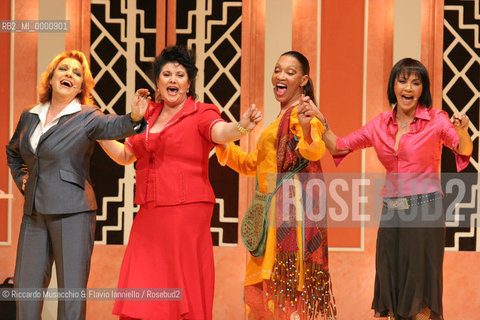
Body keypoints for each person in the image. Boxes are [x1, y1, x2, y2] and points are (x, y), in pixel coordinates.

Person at [97, 45, 262, 320]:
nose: (173, 79)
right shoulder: (147, 115)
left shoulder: (201, 112)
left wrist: (241, 126)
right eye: (167, 74)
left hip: (187, 210)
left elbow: (220, 132)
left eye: (180, 74)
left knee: (180, 284)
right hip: (150, 210)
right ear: (158, 83)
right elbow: (126, 155)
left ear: (188, 84)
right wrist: (99, 131)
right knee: (143, 279)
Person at [314, 58, 473, 320]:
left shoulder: (436, 120)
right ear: (393, 86)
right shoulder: (379, 124)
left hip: (425, 212)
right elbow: (339, 146)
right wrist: (321, 122)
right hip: (392, 212)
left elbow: (463, 149)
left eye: (416, 82)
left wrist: (463, 130)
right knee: (391, 286)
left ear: (423, 89)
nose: (408, 88)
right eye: (402, 81)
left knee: (420, 293)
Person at [6, 50, 148, 320]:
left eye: (76, 73)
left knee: (71, 293)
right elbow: (13, 151)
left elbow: (114, 126)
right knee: (26, 290)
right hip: (34, 213)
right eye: (63, 69)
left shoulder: (87, 116)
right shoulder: (29, 115)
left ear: (82, 87)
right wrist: (22, 179)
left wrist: (134, 118)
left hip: (74, 212)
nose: (69, 74)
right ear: (51, 78)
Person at [215, 51, 336, 319]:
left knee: (283, 297)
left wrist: (305, 129)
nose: (280, 76)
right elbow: (251, 164)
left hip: (287, 221)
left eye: (290, 72)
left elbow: (315, 151)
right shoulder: (276, 123)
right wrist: (222, 144)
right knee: (263, 296)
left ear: (303, 80)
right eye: (277, 70)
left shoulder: (302, 114)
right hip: (268, 216)